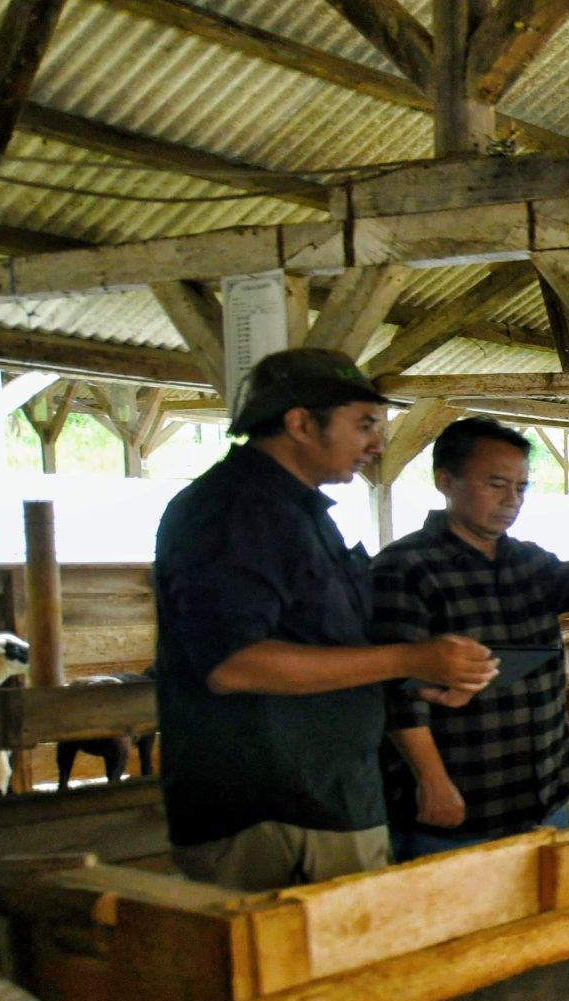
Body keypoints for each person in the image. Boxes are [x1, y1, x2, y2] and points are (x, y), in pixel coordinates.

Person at [152, 350, 498, 890]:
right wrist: (408, 658)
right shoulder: (234, 509)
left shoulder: (297, 513)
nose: (377, 444)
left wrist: (419, 670)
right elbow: (234, 664)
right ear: (300, 424)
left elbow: (324, 643)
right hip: (273, 814)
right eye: (363, 425)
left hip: (324, 798)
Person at [370, 416, 569, 860]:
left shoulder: (526, 561)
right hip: (457, 804)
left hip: (542, 797)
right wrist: (431, 780)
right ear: (446, 481)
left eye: (521, 487)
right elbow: (394, 693)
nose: (511, 499)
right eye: (496, 484)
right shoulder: (403, 568)